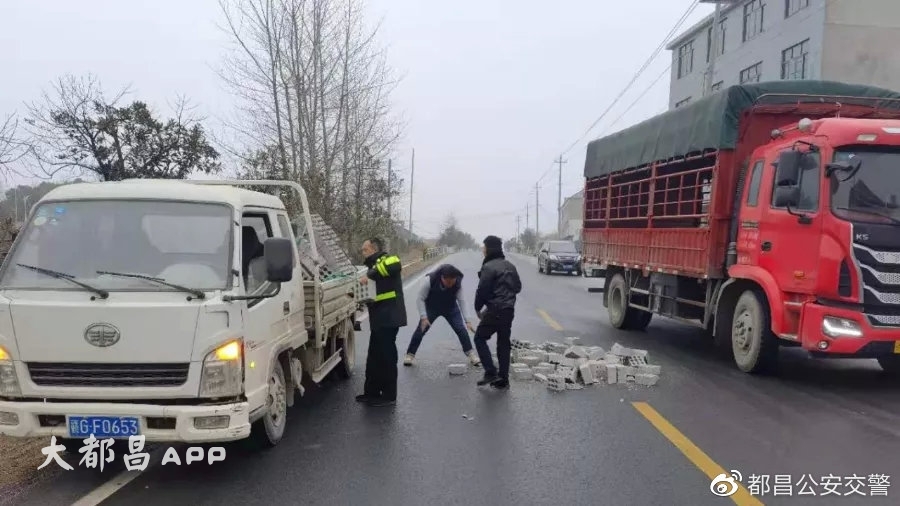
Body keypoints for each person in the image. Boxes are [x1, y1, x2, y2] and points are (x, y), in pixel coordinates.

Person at [356, 237, 407, 407]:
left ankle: (388, 395)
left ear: (373, 249)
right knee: (374, 357)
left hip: (390, 318)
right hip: (379, 319)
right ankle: (371, 392)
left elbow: (395, 264)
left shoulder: (386, 259)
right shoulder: (371, 267)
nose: (362, 253)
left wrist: (369, 275)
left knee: (386, 358)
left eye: (364, 250)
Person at [403, 263, 481, 367]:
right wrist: (423, 316)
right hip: (432, 307)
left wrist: (467, 320)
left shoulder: (457, 282)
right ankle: (410, 355)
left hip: (450, 308)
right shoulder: (429, 280)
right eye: (448, 282)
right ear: (442, 278)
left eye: (452, 282)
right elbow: (420, 299)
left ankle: (471, 354)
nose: (450, 285)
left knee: (460, 328)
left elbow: (462, 301)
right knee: (421, 329)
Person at [473, 235, 522, 389]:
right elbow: (518, 287)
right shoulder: (510, 265)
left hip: (495, 309)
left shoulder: (488, 267)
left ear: (489, 248)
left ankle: (490, 371)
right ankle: (503, 379)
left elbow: (482, 290)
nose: (483, 249)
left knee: (479, 338)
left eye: (484, 246)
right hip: (509, 310)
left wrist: (478, 307)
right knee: (503, 343)